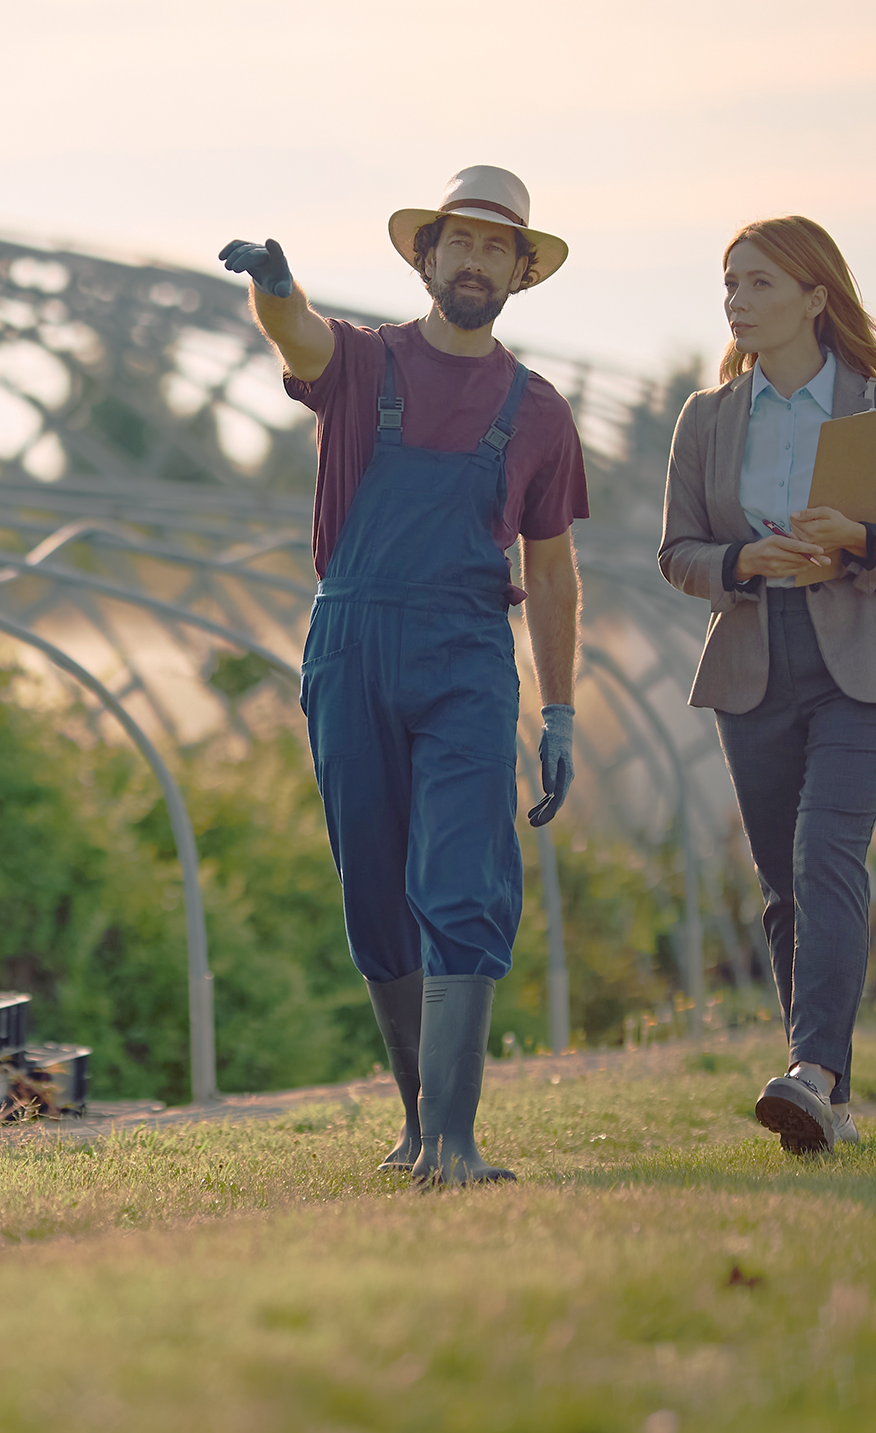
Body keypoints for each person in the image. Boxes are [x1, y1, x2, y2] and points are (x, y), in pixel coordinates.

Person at [220, 166, 587, 1187]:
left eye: (495, 248)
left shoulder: (540, 413)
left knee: (462, 884)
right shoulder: (363, 365)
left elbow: (554, 573)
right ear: (426, 258)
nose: (474, 261)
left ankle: (457, 1140)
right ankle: (417, 1121)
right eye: (457, 241)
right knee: (375, 892)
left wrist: (560, 710)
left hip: (467, 655)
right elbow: (298, 337)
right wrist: (275, 293)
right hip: (351, 642)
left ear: (519, 273)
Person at [657, 215, 876, 1155]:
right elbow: (677, 552)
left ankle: (812, 1074)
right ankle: (826, 1097)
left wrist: (860, 540)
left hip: (859, 662)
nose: (737, 301)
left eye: (759, 284)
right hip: (753, 661)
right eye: (729, 283)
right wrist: (743, 560)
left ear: (815, 298)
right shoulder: (707, 418)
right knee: (785, 883)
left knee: (827, 853)